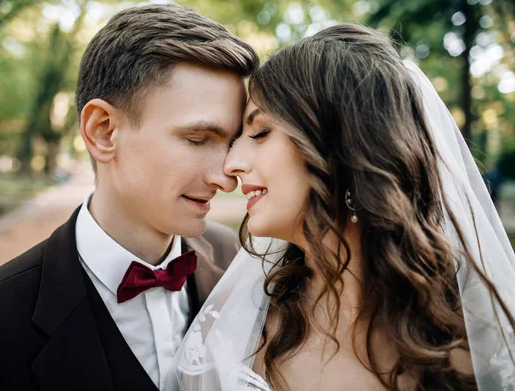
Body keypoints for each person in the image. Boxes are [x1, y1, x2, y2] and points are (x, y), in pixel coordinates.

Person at [0, 4, 258, 391]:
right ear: (103, 131)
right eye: (197, 140)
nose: (225, 178)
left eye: (230, 144)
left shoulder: (244, 267)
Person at [176, 24, 515, 390]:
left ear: (346, 150)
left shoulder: (467, 339)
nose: (231, 164)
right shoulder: (236, 320)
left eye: (260, 133)